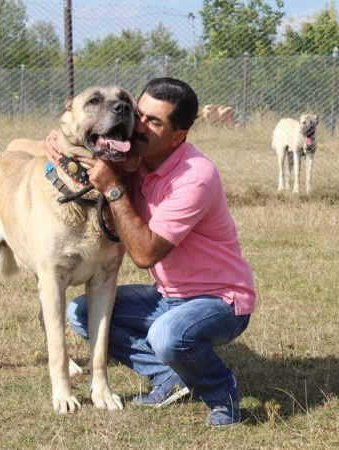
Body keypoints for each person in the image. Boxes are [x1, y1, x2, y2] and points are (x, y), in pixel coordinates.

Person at [45, 77, 256, 427]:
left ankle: (224, 398)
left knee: (168, 335)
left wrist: (114, 190)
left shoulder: (195, 177)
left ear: (178, 137)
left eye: (153, 122)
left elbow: (144, 254)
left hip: (219, 302)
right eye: (139, 114)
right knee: (81, 313)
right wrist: (58, 143)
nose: (137, 125)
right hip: (167, 296)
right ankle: (168, 375)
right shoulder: (137, 158)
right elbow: (77, 143)